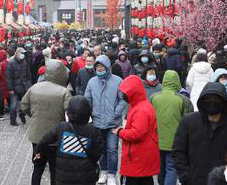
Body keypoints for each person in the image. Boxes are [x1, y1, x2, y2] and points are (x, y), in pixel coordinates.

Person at [173, 82, 227, 185]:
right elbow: (178, 150)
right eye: (208, 100)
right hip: (193, 180)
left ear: (223, 102)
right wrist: (185, 176)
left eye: (216, 100)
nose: (212, 103)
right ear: (202, 102)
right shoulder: (188, 122)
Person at [22, 60, 72, 185]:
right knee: (54, 169)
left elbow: (24, 106)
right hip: (55, 138)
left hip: (36, 136)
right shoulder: (64, 92)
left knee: (38, 167)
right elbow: (69, 114)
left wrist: (34, 116)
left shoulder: (34, 88)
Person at [34, 96, 104, 185]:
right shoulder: (92, 131)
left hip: (63, 178)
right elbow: (98, 152)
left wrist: (38, 152)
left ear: (69, 113)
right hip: (85, 177)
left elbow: (44, 140)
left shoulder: (62, 127)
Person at [84, 55, 126, 185]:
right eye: (98, 67)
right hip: (97, 121)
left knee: (112, 150)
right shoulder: (92, 82)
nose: (100, 69)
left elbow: (123, 99)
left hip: (113, 122)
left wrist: (116, 113)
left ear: (107, 67)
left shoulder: (117, 80)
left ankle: (112, 173)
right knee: (101, 149)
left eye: (102, 66)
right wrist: (88, 113)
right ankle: (104, 170)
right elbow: (87, 100)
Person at [113, 75, 160, 185]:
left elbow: (136, 134)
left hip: (137, 157)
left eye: (125, 93)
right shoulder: (141, 104)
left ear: (132, 93)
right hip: (142, 156)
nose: (123, 95)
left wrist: (120, 131)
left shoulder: (140, 109)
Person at [151, 70, 193, 185]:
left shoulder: (154, 97)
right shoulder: (184, 100)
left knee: (160, 168)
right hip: (175, 142)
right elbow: (189, 123)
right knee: (172, 168)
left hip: (156, 140)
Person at [6, 47, 32, 126]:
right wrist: (10, 88)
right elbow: (8, 77)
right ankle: (12, 120)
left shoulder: (24, 62)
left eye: (23, 53)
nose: (22, 55)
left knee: (24, 104)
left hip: (24, 86)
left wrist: (29, 84)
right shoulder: (11, 62)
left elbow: (28, 75)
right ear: (17, 53)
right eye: (21, 53)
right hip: (14, 87)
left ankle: (22, 114)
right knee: (13, 105)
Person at [0, 49, 9, 114]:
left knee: (2, 96)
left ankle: (4, 107)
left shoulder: (1, 64)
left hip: (2, 82)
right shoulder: (8, 62)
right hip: (7, 81)